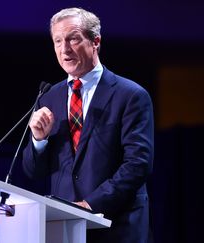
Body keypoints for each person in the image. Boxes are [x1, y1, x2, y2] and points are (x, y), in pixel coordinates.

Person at [21, 7, 154, 243]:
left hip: (117, 228)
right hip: (64, 230)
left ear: (96, 41)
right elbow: (33, 171)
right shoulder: (48, 97)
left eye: (73, 38)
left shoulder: (130, 95)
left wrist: (90, 204)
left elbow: (137, 164)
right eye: (58, 41)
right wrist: (38, 141)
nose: (64, 49)